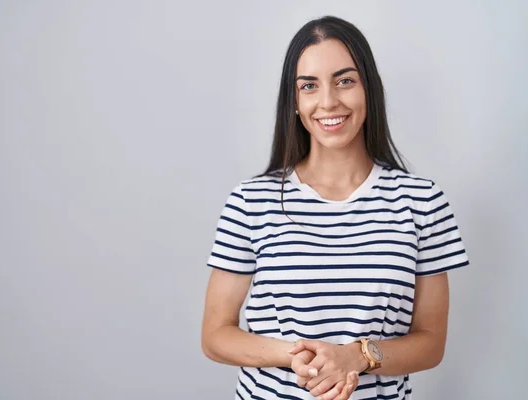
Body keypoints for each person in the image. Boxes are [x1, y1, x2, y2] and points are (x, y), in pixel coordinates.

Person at [201, 15, 469, 400]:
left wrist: (357, 357)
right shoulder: (250, 202)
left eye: (345, 80)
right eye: (309, 86)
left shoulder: (422, 202)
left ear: (368, 90)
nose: (328, 101)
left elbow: (430, 343)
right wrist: (298, 356)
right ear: (294, 101)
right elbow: (214, 336)